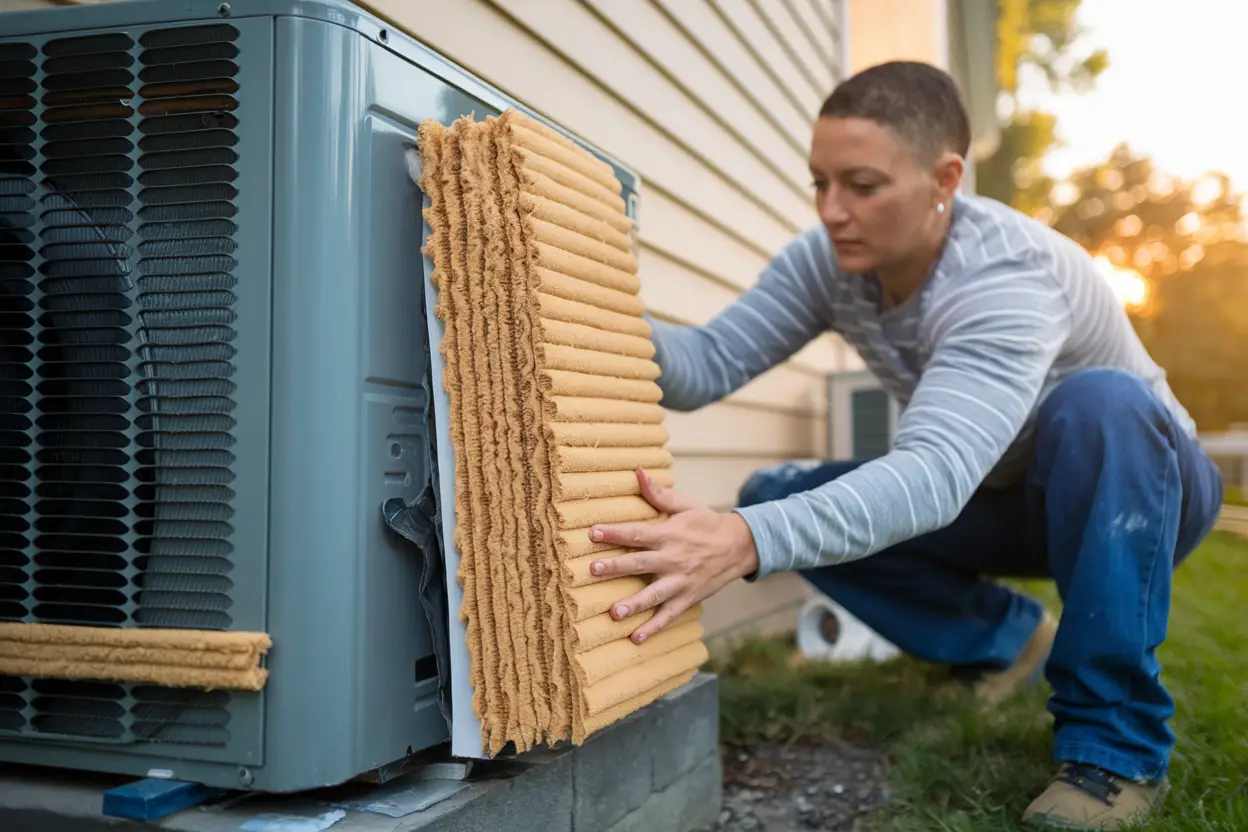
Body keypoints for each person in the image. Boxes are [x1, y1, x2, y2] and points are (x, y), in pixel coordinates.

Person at [585, 60, 1224, 830]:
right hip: (1008, 496)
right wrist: (583, 292)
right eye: (819, 182)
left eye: (861, 185)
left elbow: (934, 475)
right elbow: (703, 368)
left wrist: (739, 542)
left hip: (1144, 493)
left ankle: (1114, 751)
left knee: (1098, 403)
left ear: (943, 177)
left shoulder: (1006, 278)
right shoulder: (832, 261)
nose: (832, 211)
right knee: (774, 498)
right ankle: (1007, 638)